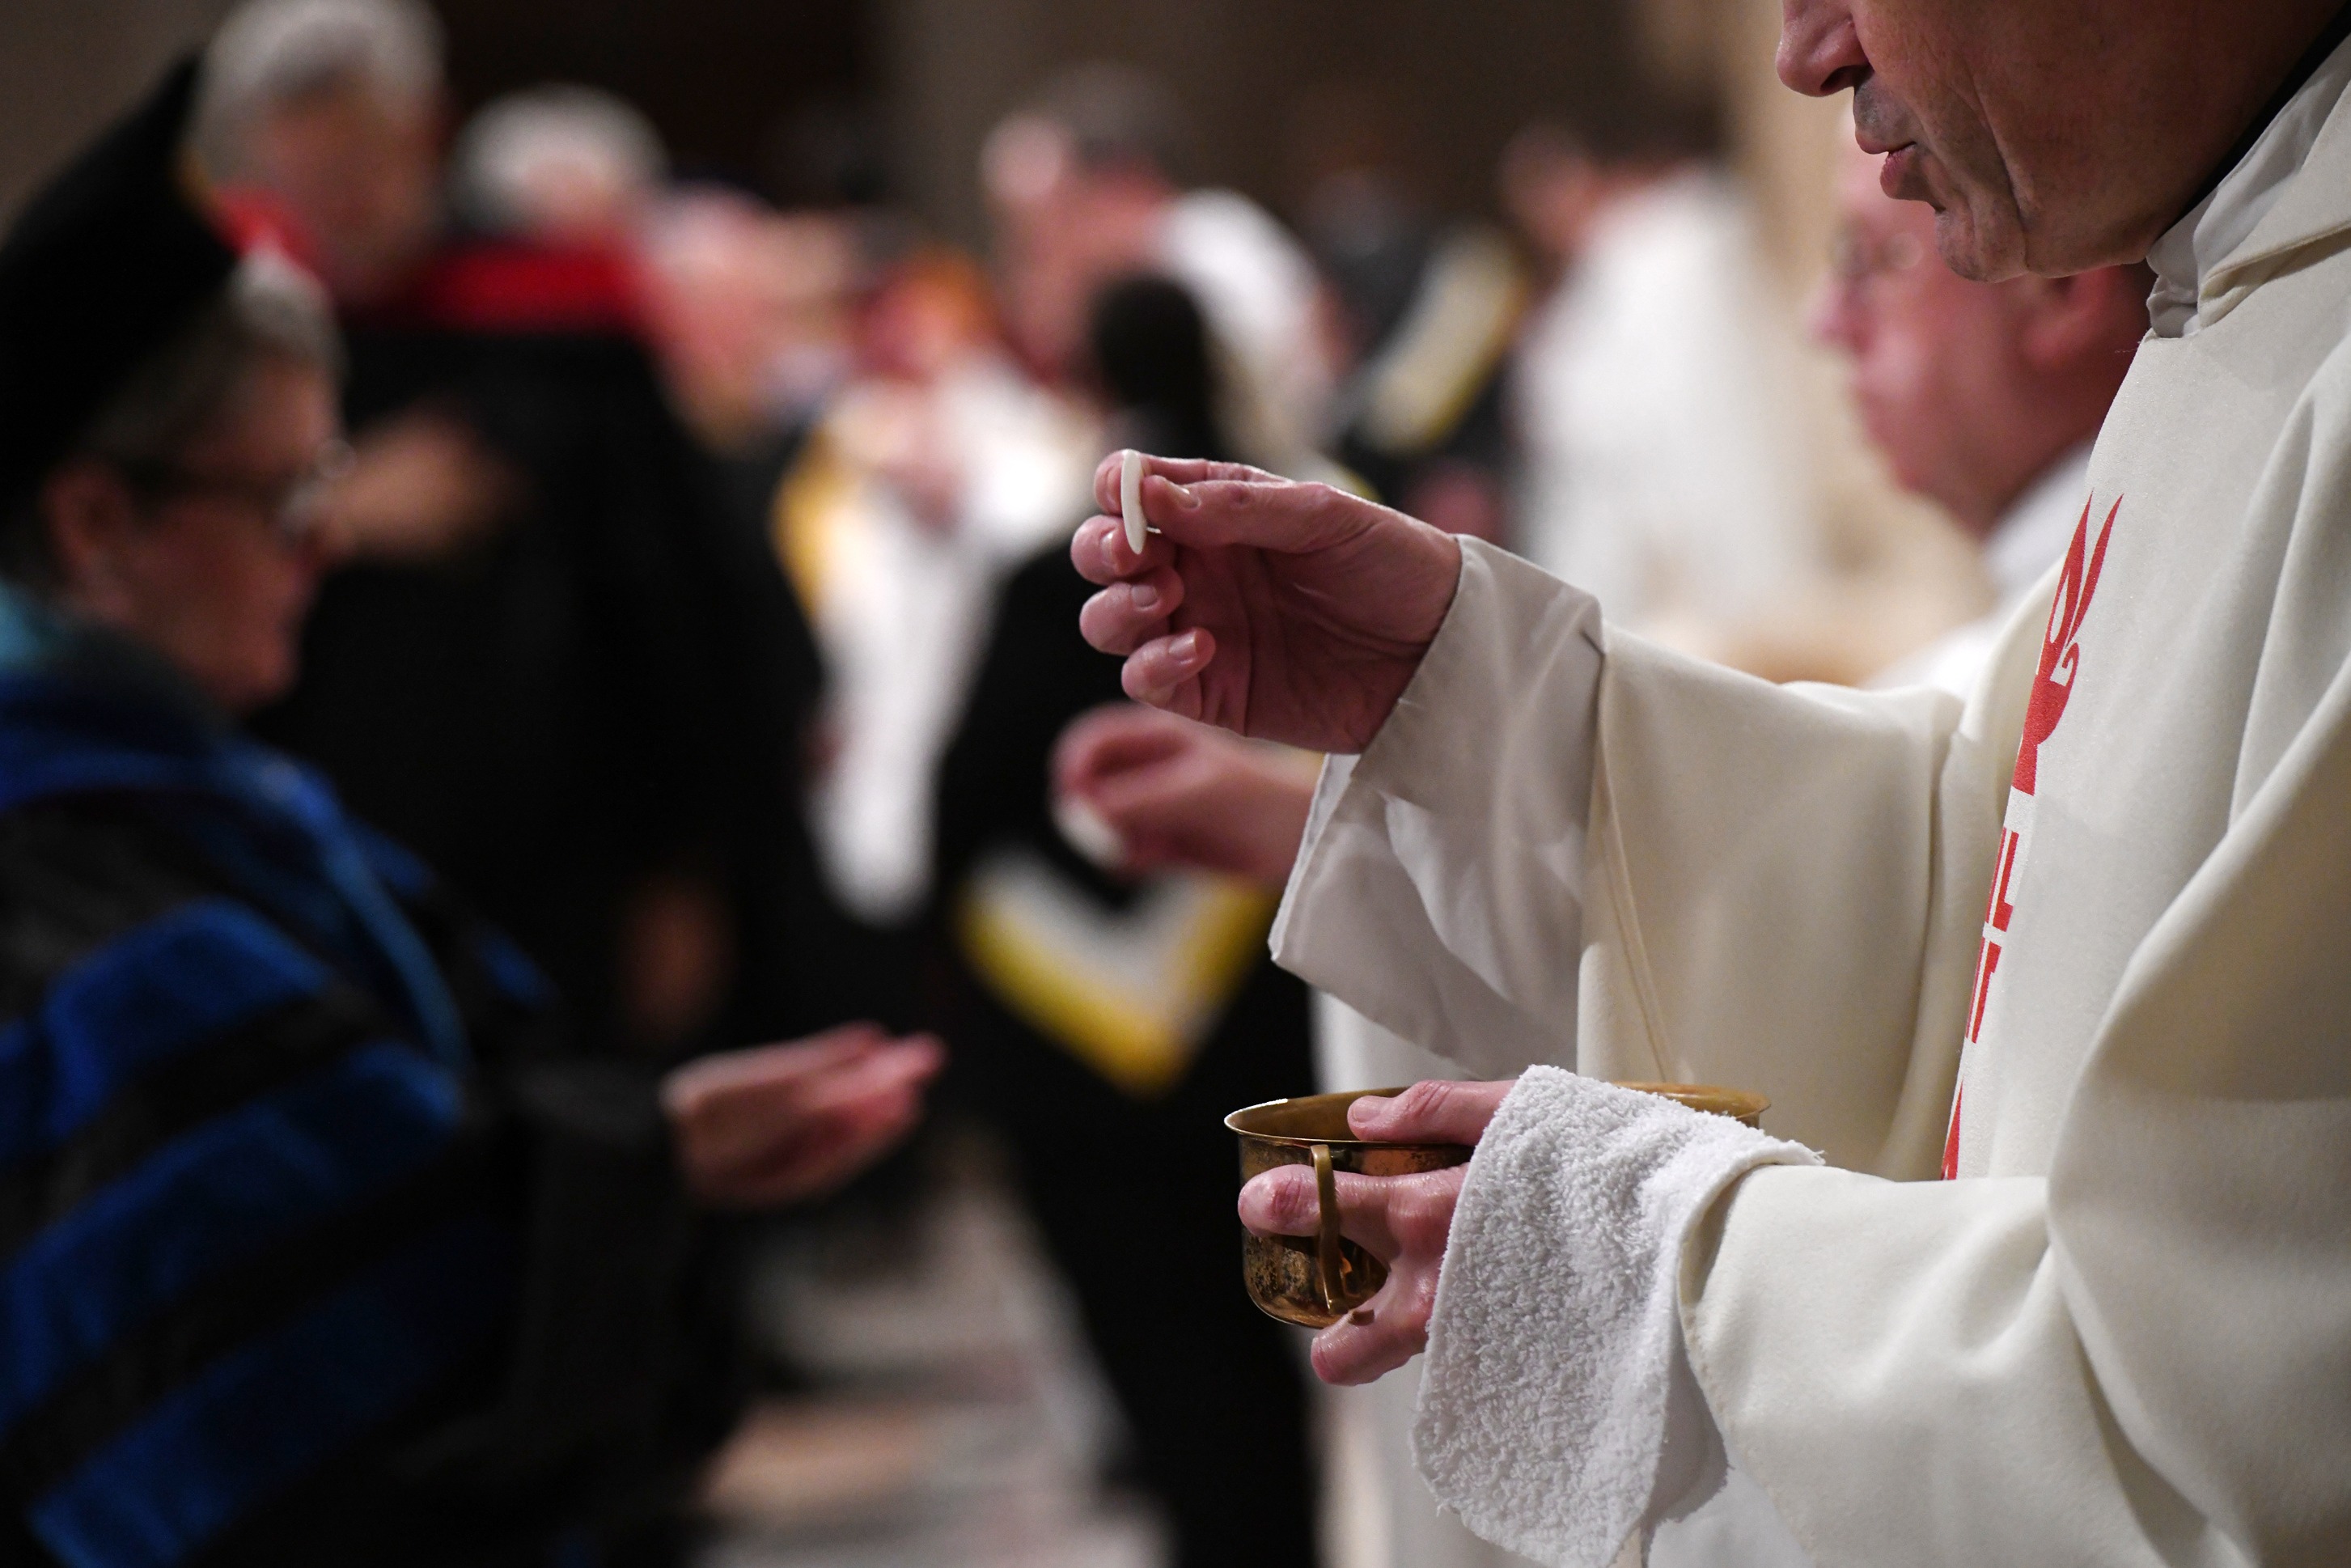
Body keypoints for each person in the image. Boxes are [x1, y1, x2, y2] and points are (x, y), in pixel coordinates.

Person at [1072, 0, 2351, 1560]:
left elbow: (2248, 1401)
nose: (1806, 51)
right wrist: (1489, 700)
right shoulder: (2239, 304)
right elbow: (1983, 870)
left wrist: (1663, 1253)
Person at [0, 63, 938, 1566]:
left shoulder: (186, 793)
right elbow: (307, 1400)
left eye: (328, 482)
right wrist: (629, 1173)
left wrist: (656, 1146)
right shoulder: (89, 913)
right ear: (98, 524)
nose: (322, 545)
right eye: (283, 496)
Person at [199, 0, 826, 1058]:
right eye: (308, 175)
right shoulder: (228, 346)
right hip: (313, 846)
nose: (339, 204)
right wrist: (335, 506)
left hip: (559, 861)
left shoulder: (551, 319)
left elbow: (675, 608)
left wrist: (685, 867)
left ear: (423, 129)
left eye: (361, 159)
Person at [929, 275, 1320, 1568]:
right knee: (1321, 1374)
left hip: (1082, 1072)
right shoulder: (1317, 556)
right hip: (1287, 1025)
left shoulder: (1054, 586)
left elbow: (962, 814)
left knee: (1172, 1380)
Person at [1502, 106, 1821, 659]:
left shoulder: (1660, 255)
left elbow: (1678, 396)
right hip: (1615, 504)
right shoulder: (1594, 279)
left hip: (1697, 477)